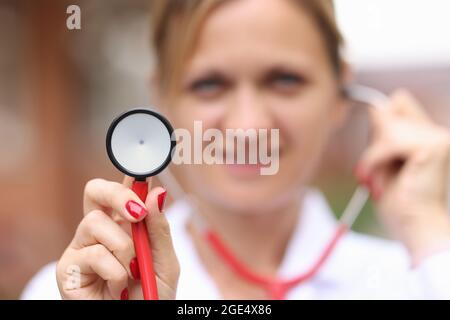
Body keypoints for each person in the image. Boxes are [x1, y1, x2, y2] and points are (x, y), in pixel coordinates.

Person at [22, 0, 450, 300]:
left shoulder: (421, 278)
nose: (248, 126)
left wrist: (429, 230)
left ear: (340, 94)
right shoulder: (74, 289)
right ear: (163, 101)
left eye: (284, 80)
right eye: (209, 84)